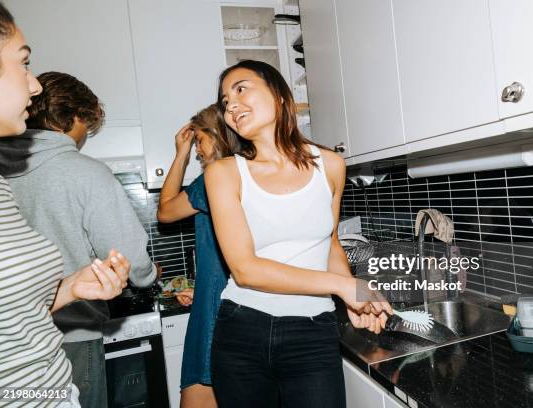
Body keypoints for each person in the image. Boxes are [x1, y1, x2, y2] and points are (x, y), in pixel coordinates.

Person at [205, 60, 393, 408]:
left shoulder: (331, 166)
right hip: (242, 330)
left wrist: (354, 293)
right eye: (224, 100)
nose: (230, 104)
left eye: (241, 88)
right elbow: (246, 269)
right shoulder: (224, 173)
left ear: (278, 95)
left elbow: (330, 243)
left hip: (312, 331)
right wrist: (341, 287)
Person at [0, 2, 130, 407]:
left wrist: (71, 288)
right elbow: (135, 260)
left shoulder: (0, 182)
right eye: (23, 64)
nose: (33, 86)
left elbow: (8, 316)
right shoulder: (88, 172)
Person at [158, 104, 239, 408]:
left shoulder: (213, 180)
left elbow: (165, 211)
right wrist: (204, 285)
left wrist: (180, 153)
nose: (198, 151)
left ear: (218, 138)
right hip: (226, 301)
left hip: (217, 314)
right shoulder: (250, 173)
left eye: (201, 141)